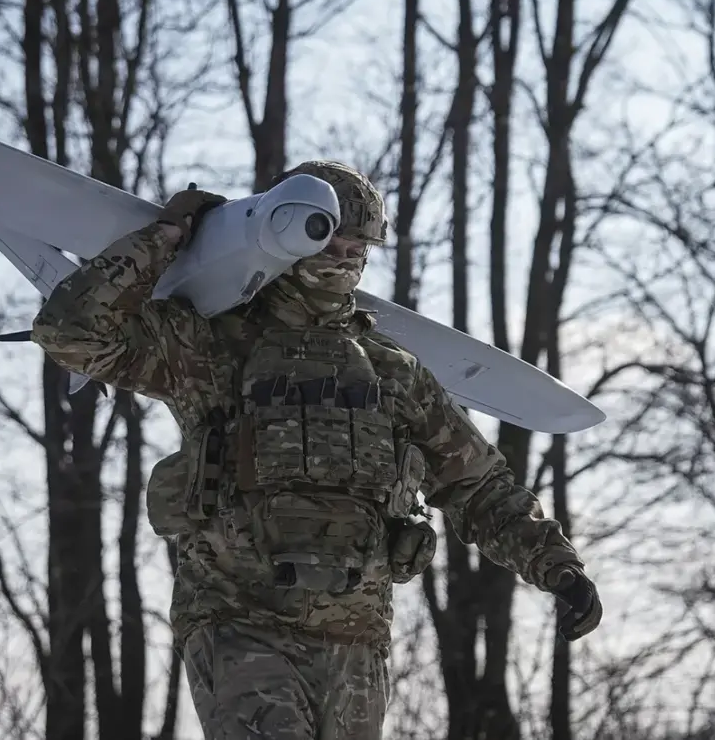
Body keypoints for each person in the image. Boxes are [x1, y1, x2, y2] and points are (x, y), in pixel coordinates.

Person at [31, 160, 602, 740]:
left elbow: (478, 486)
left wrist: (557, 567)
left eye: (361, 244)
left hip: (356, 643)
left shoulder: (393, 373)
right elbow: (71, 333)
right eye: (334, 237)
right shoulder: (208, 344)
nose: (347, 255)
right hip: (240, 625)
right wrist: (165, 238)